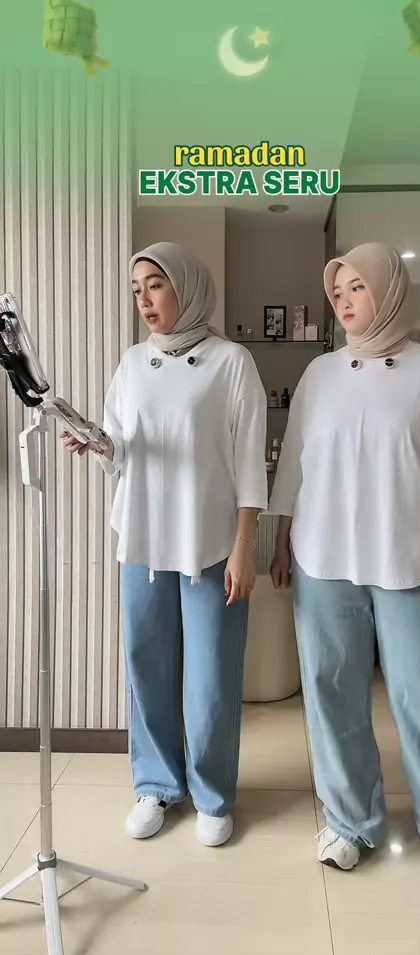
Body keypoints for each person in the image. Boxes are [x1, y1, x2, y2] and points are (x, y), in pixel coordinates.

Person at [269, 241, 420, 876]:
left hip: (415, 554)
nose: (344, 300)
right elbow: (295, 464)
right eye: (337, 292)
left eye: (357, 287)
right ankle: (348, 822)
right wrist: (281, 539)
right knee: (332, 692)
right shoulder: (319, 374)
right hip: (323, 556)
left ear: (389, 291)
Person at [61, 242, 267, 847]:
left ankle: (212, 794)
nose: (144, 299)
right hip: (144, 541)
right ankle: (155, 784)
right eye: (137, 289)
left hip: (211, 544)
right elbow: (124, 449)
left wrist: (245, 546)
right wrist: (99, 444)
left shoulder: (232, 362)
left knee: (211, 678)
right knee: (146, 667)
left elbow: (249, 463)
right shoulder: (131, 363)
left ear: (186, 286)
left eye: (155, 284)